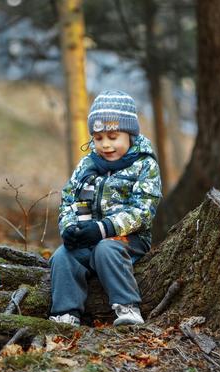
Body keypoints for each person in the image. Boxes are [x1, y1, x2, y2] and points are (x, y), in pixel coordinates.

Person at [49, 90, 162, 327]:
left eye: (113, 136)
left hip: (128, 238)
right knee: (63, 256)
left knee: (105, 250)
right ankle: (66, 313)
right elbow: (70, 198)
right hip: (89, 234)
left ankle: (127, 307)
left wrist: (104, 228)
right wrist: (70, 227)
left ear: (129, 134)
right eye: (99, 138)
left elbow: (143, 210)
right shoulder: (87, 164)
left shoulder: (144, 165)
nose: (106, 144)